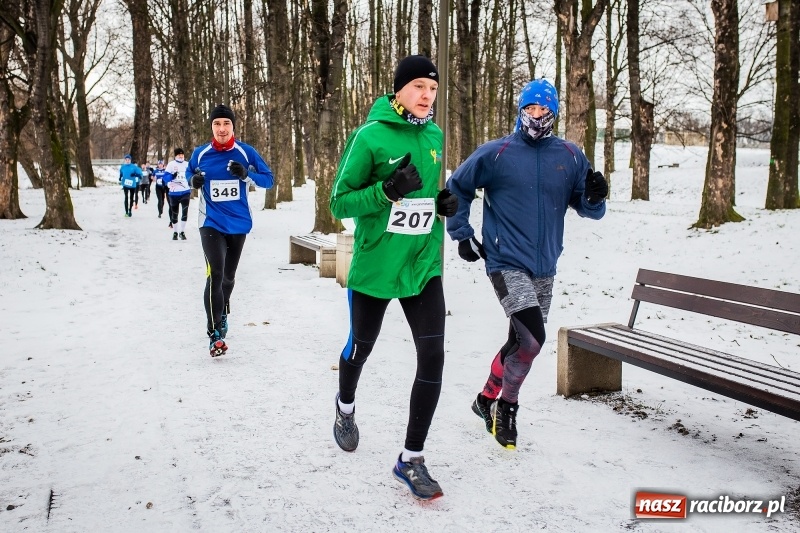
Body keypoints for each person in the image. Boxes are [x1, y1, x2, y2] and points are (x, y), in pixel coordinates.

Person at [445, 78, 608, 450]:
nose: (536, 116)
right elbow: (458, 186)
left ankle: (484, 399)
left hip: (545, 264)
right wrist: (462, 233)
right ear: (520, 111)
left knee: (520, 339)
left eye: (544, 110)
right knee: (533, 340)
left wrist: (596, 198)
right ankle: (508, 406)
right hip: (504, 260)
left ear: (554, 113)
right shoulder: (496, 152)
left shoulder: (569, 155)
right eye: (530, 109)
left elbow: (588, 208)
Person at [328, 55, 458, 502]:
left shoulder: (435, 135)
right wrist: (386, 191)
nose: (427, 96)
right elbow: (339, 203)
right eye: (419, 86)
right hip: (377, 266)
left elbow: (425, 196)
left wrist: (443, 203)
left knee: (434, 355)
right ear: (399, 90)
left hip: (423, 266)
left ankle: (411, 458)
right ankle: (345, 406)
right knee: (361, 346)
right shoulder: (370, 136)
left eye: (433, 89)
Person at [187, 104, 274, 357]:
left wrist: (247, 175)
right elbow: (187, 174)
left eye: (226, 124)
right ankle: (214, 334)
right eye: (217, 124)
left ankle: (222, 309)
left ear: (233, 127)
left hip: (238, 224)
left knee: (228, 277)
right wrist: (192, 181)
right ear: (211, 127)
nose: (222, 129)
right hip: (210, 222)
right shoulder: (200, 154)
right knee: (215, 273)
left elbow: (269, 179)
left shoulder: (245, 152)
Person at [163, 148, 191, 240]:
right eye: (179, 154)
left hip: (185, 192)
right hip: (174, 193)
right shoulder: (171, 165)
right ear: (175, 155)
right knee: (174, 213)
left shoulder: (187, 164)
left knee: (184, 212)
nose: (181, 156)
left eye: (182, 154)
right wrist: (172, 176)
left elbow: (192, 174)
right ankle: (175, 232)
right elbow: (165, 177)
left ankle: (182, 231)